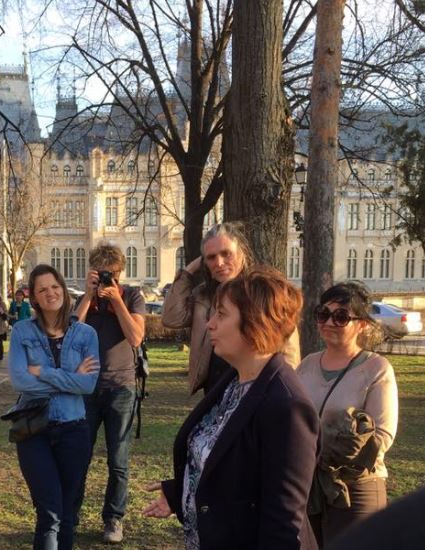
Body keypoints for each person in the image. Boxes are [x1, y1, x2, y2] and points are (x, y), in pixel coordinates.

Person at [144, 266, 319, 550]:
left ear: (255, 323)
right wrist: (182, 493)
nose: (210, 324)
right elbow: (234, 472)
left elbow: (283, 523)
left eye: (221, 314)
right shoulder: (233, 380)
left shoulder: (287, 406)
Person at [297, 282, 398, 548]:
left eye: (340, 316)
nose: (329, 322)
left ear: (362, 324)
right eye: (323, 314)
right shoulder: (307, 364)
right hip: (311, 486)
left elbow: (382, 436)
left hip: (357, 488)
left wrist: (329, 450)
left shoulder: (376, 368)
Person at [8, 264, 100, 550]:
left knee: (68, 514)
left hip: (74, 430)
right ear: (33, 297)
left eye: (55, 286)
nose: (51, 293)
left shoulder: (86, 334)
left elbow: (88, 386)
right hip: (35, 430)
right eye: (42, 289)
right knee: (49, 513)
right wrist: (71, 379)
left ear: (63, 289)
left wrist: (44, 373)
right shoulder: (22, 331)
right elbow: (21, 381)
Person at [162, 222, 301, 395]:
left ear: (241, 253)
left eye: (226, 254)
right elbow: (170, 317)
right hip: (215, 390)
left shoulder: (263, 294)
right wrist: (189, 271)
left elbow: (289, 352)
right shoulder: (203, 296)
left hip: (256, 390)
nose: (219, 263)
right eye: (211, 257)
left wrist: (282, 392)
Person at [73, 243, 146, 543]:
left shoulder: (132, 296)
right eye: (102, 273)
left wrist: (117, 301)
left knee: (118, 460)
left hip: (121, 388)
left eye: (112, 274)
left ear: (120, 273)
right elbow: (70, 334)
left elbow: (136, 336)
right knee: (79, 456)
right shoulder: (84, 300)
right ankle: (71, 514)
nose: (106, 280)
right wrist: (88, 296)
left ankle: (113, 519)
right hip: (87, 389)